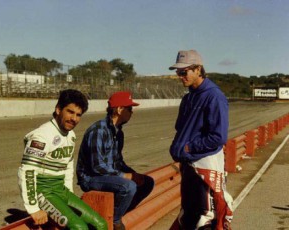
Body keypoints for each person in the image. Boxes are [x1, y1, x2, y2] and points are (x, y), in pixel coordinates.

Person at [18, 89, 107, 230]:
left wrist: (69, 191)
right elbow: (27, 171)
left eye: (78, 115)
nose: (74, 119)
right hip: (43, 192)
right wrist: (33, 208)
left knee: (101, 224)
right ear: (58, 110)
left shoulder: (70, 135)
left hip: (61, 190)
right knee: (79, 228)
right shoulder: (41, 136)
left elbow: (68, 165)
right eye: (70, 112)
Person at [168, 50, 233, 230]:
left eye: (184, 72)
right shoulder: (188, 98)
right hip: (189, 165)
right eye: (178, 73)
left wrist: (188, 148)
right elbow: (180, 129)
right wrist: (177, 147)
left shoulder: (214, 96)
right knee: (190, 214)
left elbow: (218, 137)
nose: (181, 77)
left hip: (206, 165)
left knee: (207, 218)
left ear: (198, 69)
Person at [76, 91, 154, 230]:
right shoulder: (99, 130)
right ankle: (115, 220)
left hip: (106, 175)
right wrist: (126, 176)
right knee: (129, 186)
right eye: (129, 109)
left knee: (147, 182)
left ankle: (115, 213)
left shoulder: (118, 133)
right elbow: (98, 167)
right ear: (119, 109)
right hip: (90, 178)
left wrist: (134, 175)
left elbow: (118, 161)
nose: (132, 112)